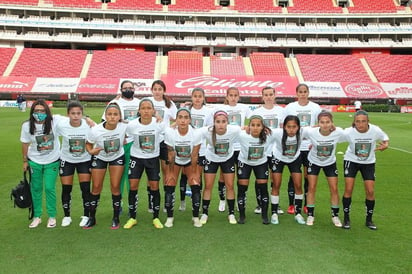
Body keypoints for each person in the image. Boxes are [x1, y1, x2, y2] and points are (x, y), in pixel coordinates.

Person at [341, 110, 389, 230]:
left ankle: (369, 220)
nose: (360, 124)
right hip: (351, 160)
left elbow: (385, 138)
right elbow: (333, 136)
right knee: (348, 189)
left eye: (363, 121)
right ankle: (346, 218)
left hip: (368, 162)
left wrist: (385, 144)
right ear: (354, 122)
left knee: (370, 191)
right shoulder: (348, 132)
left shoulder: (375, 130)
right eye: (357, 121)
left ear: (368, 121)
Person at [124, 99, 167, 229]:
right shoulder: (132, 125)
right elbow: (126, 138)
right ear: (139, 110)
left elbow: (166, 137)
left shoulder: (159, 124)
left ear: (153, 111)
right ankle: (132, 217)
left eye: (149, 108)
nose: (146, 110)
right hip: (136, 158)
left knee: (154, 186)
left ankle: (156, 217)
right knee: (133, 186)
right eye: (143, 108)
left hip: (153, 159)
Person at [84, 102, 127, 229]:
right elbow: (88, 143)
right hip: (100, 157)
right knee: (96, 186)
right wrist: (91, 151)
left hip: (117, 157)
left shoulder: (124, 126)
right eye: (109, 114)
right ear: (105, 116)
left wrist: (157, 116)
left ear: (120, 116)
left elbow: (140, 125)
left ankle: (115, 218)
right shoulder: (96, 130)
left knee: (115, 186)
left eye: (115, 114)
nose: (112, 117)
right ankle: (92, 217)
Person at [20, 99, 62, 228]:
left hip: (52, 160)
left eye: (42, 110)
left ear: (47, 111)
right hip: (35, 161)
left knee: (49, 188)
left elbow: (74, 118)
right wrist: (25, 161)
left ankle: (52, 216)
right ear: (32, 112)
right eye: (37, 111)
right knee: (36, 188)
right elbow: (25, 143)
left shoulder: (55, 121)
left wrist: (87, 120)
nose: (39, 113)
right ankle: (37, 216)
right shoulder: (27, 125)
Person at [102, 80, 141, 209]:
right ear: (121, 89)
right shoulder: (115, 103)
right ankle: (118, 204)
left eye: (130, 87)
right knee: (119, 176)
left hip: (134, 143)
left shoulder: (139, 103)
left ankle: (132, 204)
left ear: (134, 89)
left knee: (132, 175)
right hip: (120, 143)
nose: (128, 90)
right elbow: (105, 121)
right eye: (125, 88)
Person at [301, 111, 344, 227]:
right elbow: (298, 130)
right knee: (312, 187)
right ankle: (310, 214)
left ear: (332, 123)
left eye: (328, 122)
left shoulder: (338, 132)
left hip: (330, 163)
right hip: (313, 162)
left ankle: (335, 216)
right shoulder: (311, 132)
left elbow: (352, 136)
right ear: (318, 123)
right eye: (322, 122)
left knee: (334, 188)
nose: (325, 125)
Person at [284, 83, 322, 215]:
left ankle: (306, 204)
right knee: (294, 175)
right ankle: (291, 204)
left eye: (305, 91)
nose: (303, 94)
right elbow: (284, 125)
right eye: (300, 91)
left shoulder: (315, 107)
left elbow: (320, 124)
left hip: (310, 147)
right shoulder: (290, 107)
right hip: (295, 146)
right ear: (297, 93)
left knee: (307, 176)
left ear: (308, 93)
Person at [198, 110, 241, 225]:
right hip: (211, 159)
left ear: (228, 122)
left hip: (228, 159)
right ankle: (205, 213)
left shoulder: (234, 130)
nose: (221, 124)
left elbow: (246, 129)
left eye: (223, 122)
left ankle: (231, 213)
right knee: (208, 186)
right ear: (214, 122)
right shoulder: (207, 131)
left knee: (230, 186)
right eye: (218, 122)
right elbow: (192, 132)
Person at [55, 101, 93, 227]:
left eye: (78, 113)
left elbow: (99, 134)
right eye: (73, 113)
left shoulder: (89, 125)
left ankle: (86, 215)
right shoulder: (62, 124)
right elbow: (51, 118)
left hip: (84, 160)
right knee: (66, 189)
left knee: (85, 189)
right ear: (68, 114)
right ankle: (67, 216)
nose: (76, 116)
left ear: (82, 114)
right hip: (67, 160)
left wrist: (90, 121)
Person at [164, 108, 202, 227]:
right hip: (175, 161)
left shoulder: (196, 133)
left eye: (186, 118)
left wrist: (194, 173)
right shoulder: (170, 133)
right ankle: (170, 217)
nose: (183, 120)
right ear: (176, 119)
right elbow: (170, 153)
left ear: (190, 120)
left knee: (195, 184)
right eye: (180, 117)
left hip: (190, 161)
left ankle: (195, 217)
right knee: (170, 183)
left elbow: (195, 155)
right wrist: (170, 173)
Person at [250, 86, 285, 215]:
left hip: (276, 150)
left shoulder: (281, 111)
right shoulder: (258, 112)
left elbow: (282, 131)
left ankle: (275, 204)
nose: (269, 97)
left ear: (275, 95)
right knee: (260, 178)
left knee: (275, 178)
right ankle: (260, 204)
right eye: (266, 94)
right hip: (262, 149)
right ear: (262, 96)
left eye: (271, 94)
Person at [178, 88, 213, 211]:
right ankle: (182, 201)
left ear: (203, 98)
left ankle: (196, 201)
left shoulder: (208, 112)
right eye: (195, 96)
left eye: (200, 96)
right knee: (184, 175)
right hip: (185, 148)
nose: (197, 98)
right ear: (191, 97)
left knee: (198, 176)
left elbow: (209, 129)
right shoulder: (187, 110)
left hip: (201, 149)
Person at [216, 87, 251, 212]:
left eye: (235, 95)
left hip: (240, 146)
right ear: (226, 96)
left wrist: (248, 126)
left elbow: (257, 117)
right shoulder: (221, 109)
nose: (233, 97)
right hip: (227, 146)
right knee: (223, 175)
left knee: (241, 176)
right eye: (230, 95)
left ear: (239, 96)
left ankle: (239, 200)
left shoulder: (244, 108)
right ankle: (222, 199)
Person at [146, 80, 177, 213]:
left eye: (160, 89)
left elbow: (178, 118)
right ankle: (152, 202)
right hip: (151, 140)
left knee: (167, 171)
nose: (157, 91)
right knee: (151, 173)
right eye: (155, 89)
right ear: (151, 90)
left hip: (164, 141)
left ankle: (166, 201)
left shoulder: (169, 103)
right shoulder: (147, 101)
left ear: (164, 90)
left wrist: (169, 128)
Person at [237, 115, 273, 225]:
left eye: (258, 125)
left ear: (263, 127)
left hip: (261, 163)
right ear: (249, 126)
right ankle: (242, 215)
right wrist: (242, 127)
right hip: (244, 162)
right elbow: (228, 129)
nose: (255, 127)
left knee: (263, 187)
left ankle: (265, 215)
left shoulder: (269, 136)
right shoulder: (242, 135)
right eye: (253, 125)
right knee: (242, 187)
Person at [269, 115, 305, 225]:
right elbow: (263, 131)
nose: (291, 129)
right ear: (284, 127)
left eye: (294, 127)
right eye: (288, 127)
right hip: (278, 158)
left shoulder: (304, 132)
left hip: (294, 159)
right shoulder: (277, 133)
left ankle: (298, 213)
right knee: (276, 184)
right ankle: (274, 213)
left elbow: (318, 129)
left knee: (298, 185)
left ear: (299, 127)